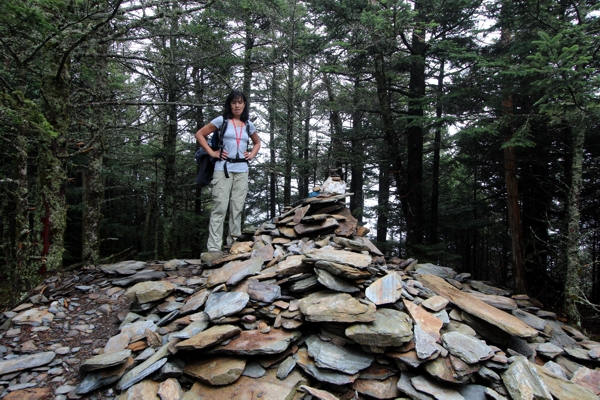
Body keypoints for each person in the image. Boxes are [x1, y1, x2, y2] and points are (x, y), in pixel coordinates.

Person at [195, 90, 260, 258]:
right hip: (222, 169)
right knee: (220, 208)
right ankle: (214, 249)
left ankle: (233, 245)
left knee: (237, 208)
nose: (237, 105)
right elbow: (200, 134)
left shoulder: (248, 124)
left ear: (244, 104)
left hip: (242, 170)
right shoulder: (221, 121)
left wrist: (251, 154)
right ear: (229, 104)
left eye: (240, 102)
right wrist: (212, 152)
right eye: (234, 102)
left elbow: (257, 142)